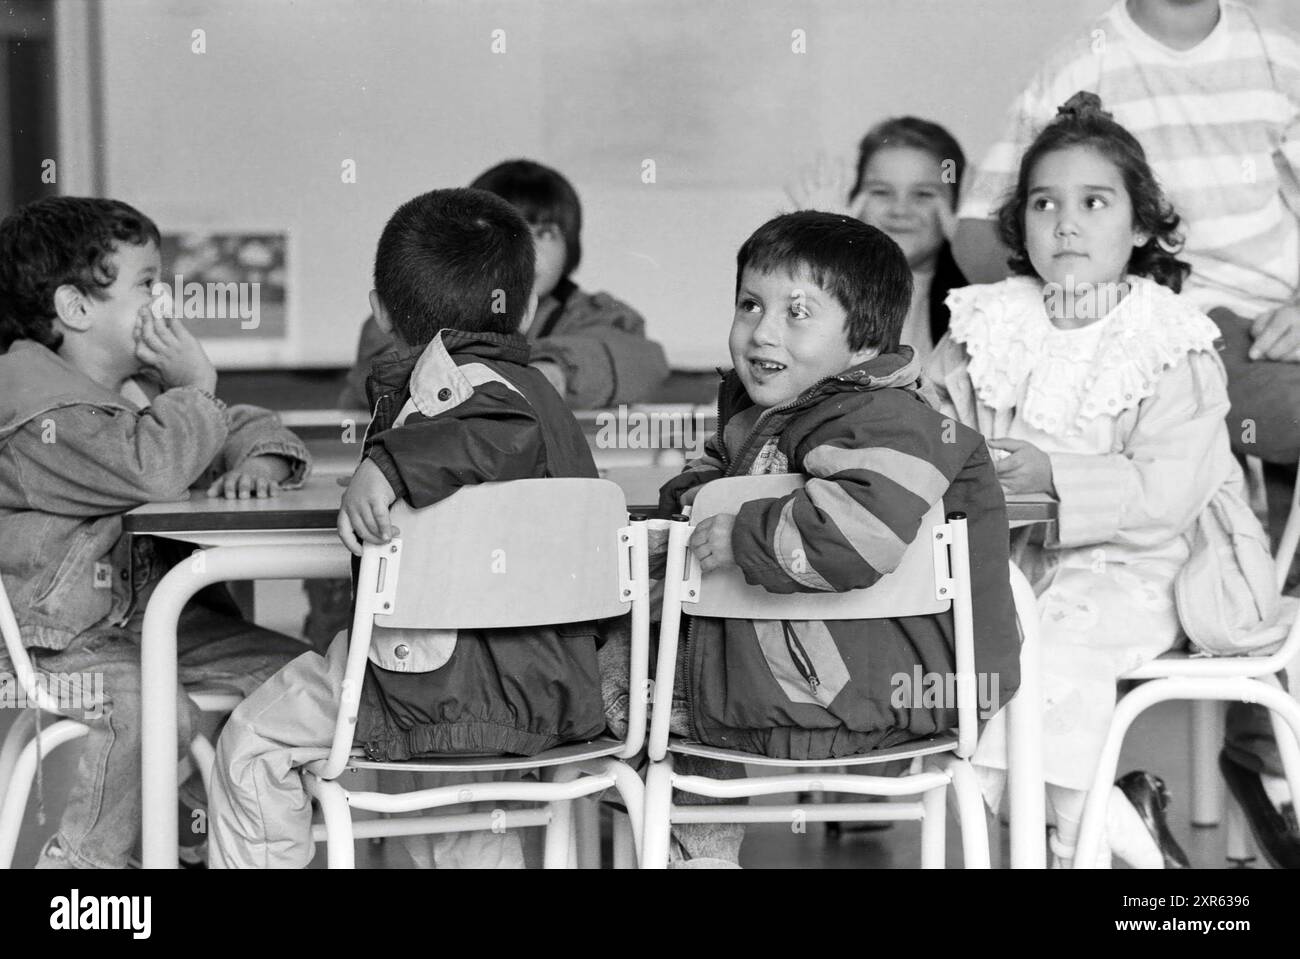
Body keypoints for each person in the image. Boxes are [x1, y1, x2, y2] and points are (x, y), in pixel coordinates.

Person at [953, 0, 1300, 866]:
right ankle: (1117, 825)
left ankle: (1109, 837)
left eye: (1094, 202)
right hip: (1007, 570)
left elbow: (1165, 497)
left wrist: (1050, 476)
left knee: (1047, 670)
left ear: (1140, 226)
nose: (1066, 222)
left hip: (1133, 571)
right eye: (1043, 203)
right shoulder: (985, 324)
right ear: (1019, 225)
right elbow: (937, 441)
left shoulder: (1169, 336)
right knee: (961, 698)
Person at [208, 188, 610, 869]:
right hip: (540, 684)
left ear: (379, 311)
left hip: (440, 681)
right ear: (531, 305)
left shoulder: (458, 386)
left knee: (253, 741)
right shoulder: (540, 392)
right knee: (458, 816)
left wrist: (387, 467)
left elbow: (488, 428)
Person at [603, 210, 1020, 865]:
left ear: (862, 343)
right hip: (817, 692)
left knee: (595, 678)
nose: (762, 329)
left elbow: (859, 533)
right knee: (628, 668)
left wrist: (740, 533)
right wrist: (702, 496)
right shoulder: (770, 416)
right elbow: (713, 474)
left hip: (868, 699)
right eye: (749, 304)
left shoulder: (893, 421)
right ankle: (701, 853)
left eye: (797, 312)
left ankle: (680, 848)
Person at [0, 196, 311, 869]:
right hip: (59, 635)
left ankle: (225, 845)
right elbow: (155, 462)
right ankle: (81, 874)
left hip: (150, 619)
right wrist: (195, 384)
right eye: (146, 284)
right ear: (75, 308)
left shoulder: (130, 386)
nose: (163, 300)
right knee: (148, 710)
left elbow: (228, 419)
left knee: (296, 679)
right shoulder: (35, 408)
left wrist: (257, 457)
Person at [338, 159, 669, 412]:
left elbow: (642, 360)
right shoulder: (417, 296)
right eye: (509, 235)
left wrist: (557, 371)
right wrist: (518, 376)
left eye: (545, 234)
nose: (528, 252)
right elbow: (382, 374)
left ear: (570, 244)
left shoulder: (593, 313)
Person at [786, 117, 968, 365]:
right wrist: (823, 246)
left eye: (924, 194)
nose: (900, 210)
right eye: (881, 192)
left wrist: (975, 249)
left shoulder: (981, 293)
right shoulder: (824, 278)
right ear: (854, 200)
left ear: (956, 206)